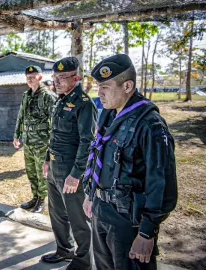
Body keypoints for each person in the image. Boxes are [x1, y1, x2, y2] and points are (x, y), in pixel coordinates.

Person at [83, 54, 178, 270]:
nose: (99, 93)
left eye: (105, 86)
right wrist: (91, 194)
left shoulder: (150, 124)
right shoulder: (109, 115)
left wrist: (147, 231)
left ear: (127, 86)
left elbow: (161, 182)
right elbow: (98, 155)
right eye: (99, 86)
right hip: (101, 209)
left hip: (128, 220)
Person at [41, 57, 97, 269]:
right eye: (55, 78)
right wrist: (47, 160)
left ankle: (83, 262)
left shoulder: (84, 104)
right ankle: (64, 250)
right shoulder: (60, 100)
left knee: (78, 220)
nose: (57, 82)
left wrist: (76, 174)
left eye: (63, 77)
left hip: (71, 170)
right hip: (55, 167)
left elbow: (88, 142)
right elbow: (54, 135)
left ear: (77, 78)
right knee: (57, 215)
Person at [14, 65, 57, 213]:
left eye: (32, 77)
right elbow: (21, 116)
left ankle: (42, 200)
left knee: (41, 173)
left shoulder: (48, 97)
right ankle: (35, 197)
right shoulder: (26, 95)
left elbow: (54, 123)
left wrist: (51, 146)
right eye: (28, 78)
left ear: (40, 78)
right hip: (28, 141)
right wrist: (17, 135)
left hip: (42, 143)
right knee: (31, 171)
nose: (30, 80)